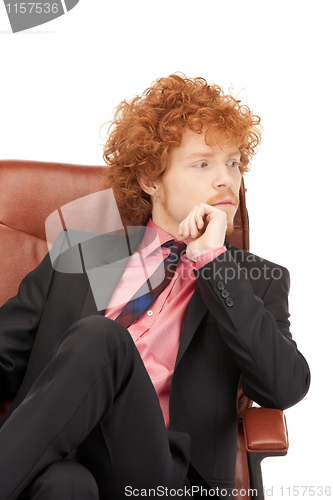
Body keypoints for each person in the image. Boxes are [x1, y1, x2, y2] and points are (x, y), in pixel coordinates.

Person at [0, 74, 310, 500]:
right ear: (151, 179)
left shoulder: (256, 281)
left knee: (102, 337)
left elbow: (284, 387)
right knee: (64, 485)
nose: (226, 180)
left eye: (234, 163)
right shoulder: (74, 259)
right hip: (62, 458)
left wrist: (211, 262)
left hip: (162, 477)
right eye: (203, 164)